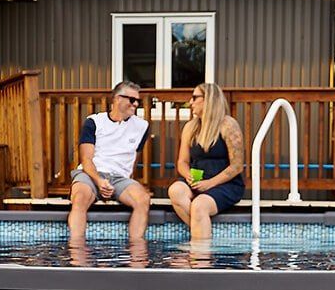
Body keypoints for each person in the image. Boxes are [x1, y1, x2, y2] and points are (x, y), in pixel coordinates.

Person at [69, 81, 153, 243]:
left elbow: (134, 158)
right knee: (79, 198)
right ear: (116, 99)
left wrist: (127, 181)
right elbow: (86, 159)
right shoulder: (94, 122)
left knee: (143, 199)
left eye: (138, 101)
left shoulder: (142, 126)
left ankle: (136, 258)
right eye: (131, 100)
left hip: (119, 178)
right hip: (91, 173)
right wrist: (99, 181)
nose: (135, 104)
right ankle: (77, 253)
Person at [168, 83, 245, 240]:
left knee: (199, 206)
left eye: (195, 97)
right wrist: (189, 176)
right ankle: (203, 234)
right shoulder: (191, 127)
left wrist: (210, 183)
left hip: (225, 184)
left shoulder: (228, 125)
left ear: (209, 100)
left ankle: (199, 258)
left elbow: (237, 166)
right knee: (175, 190)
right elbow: (182, 162)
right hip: (197, 181)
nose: (191, 102)